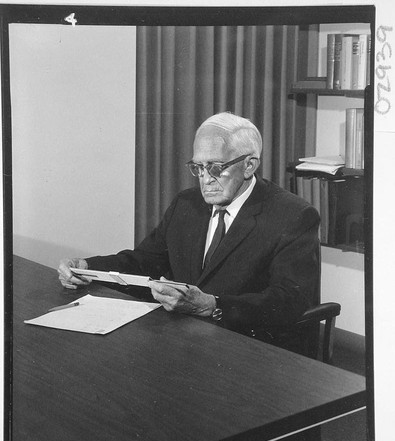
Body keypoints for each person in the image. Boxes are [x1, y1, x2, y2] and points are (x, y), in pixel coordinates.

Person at [58, 112, 320, 352]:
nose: (205, 179)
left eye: (216, 168)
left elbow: (290, 300)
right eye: (198, 167)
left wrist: (213, 305)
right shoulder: (187, 204)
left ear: (249, 165)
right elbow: (144, 261)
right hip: (181, 338)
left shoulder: (293, 216)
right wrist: (87, 268)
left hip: (246, 347)